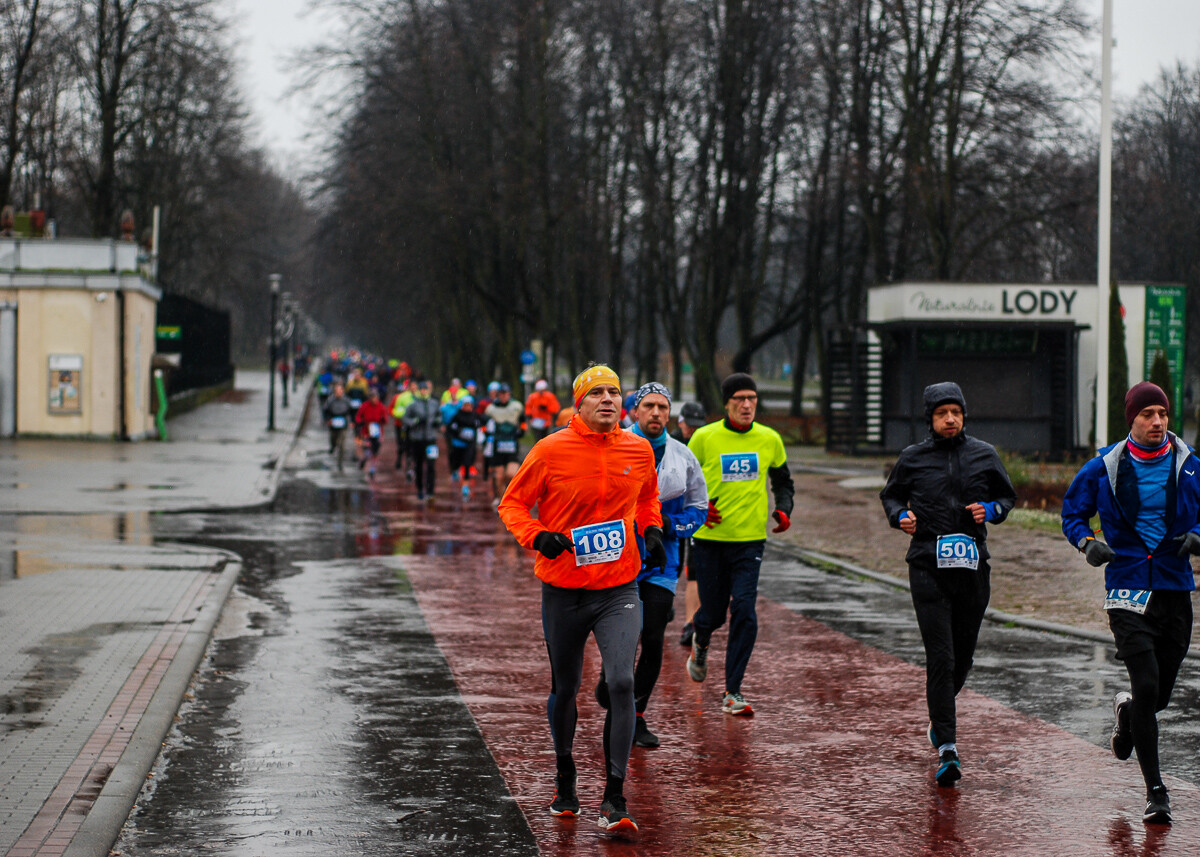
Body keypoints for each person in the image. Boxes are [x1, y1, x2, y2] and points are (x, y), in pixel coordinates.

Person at [498, 364, 664, 834]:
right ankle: (565, 775)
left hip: (619, 588)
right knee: (566, 687)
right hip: (564, 590)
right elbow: (511, 504)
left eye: (615, 392)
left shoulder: (638, 448)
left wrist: (651, 529)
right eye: (598, 393)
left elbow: (648, 499)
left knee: (621, 683)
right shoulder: (550, 450)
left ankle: (614, 796)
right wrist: (537, 536)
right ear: (579, 403)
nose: (608, 399)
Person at [1061, 381, 1200, 825]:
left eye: (1162, 413)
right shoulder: (1104, 466)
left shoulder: (1191, 465)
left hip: (1175, 587)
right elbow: (1072, 514)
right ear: (1132, 420)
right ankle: (1156, 793)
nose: (1157, 421)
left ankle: (1126, 714)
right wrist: (1086, 542)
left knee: (1155, 696)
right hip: (1127, 588)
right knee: (1145, 680)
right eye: (1148, 414)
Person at [879, 381, 1016, 789]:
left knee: (962, 657)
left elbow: (1007, 498)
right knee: (941, 657)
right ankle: (948, 749)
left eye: (955, 412)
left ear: (964, 415)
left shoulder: (984, 455)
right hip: (927, 568)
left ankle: (940, 719)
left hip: (973, 570)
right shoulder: (913, 458)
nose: (950, 419)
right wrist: (899, 516)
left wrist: (991, 509)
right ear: (930, 419)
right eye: (942, 413)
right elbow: (890, 497)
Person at [595, 382, 707, 748]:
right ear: (635, 411)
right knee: (623, 637)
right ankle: (607, 676)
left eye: (663, 407)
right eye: (649, 406)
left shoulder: (683, 456)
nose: (657, 413)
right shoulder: (614, 446)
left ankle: (636, 716)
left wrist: (671, 526)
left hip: (663, 562)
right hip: (620, 559)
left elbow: (700, 507)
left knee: (654, 637)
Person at [686, 373, 794, 716]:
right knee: (714, 613)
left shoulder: (769, 439)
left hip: (750, 541)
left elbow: (783, 481)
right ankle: (701, 639)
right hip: (709, 540)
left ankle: (733, 691)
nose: (746, 405)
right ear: (727, 403)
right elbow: (682, 481)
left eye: (752, 398)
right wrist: (699, 507)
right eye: (739, 399)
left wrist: (784, 508)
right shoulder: (704, 438)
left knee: (745, 610)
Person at [673, 401, 707, 647]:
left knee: (694, 568)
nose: (692, 431)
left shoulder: (704, 441)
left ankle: (690, 622)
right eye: (689, 426)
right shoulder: (668, 442)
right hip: (671, 514)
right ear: (680, 422)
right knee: (671, 564)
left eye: (697, 426)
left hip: (693, 514)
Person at [484, 383, 525, 503]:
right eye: (501, 394)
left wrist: (521, 431)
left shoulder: (516, 406)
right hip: (498, 444)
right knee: (499, 476)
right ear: (498, 395)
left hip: (512, 443)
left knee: (512, 474)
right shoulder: (491, 408)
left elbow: (522, 420)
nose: (503, 397)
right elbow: (483, 421)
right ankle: (502, 501)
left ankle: (512, 496)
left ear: (509, 394)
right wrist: (485, 432)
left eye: (506, 394)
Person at [403, 379, 442, 501]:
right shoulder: (413, 405)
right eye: (422, 389)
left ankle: (430, 491)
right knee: (418, 465)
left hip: (430, 439)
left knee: (431, 466)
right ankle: (420, 488)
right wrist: (414, 422)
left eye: (426, 389)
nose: (424, 392)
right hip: (417, 439)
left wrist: (437, 422)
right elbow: (405, 418)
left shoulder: (434, 404)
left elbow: (439, 416)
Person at [445, 396, 485, 499]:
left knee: (467, 464)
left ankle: (465, 486)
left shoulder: (476, 416)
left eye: (469, 405)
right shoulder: (457, 416)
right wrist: (459, 432)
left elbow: (483, 424)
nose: (468, 407)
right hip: (458, 445)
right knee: (456, 462)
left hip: (470, 445)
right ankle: (454, 471)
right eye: (466, 405)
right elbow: (450, 429)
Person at [355, 388, 389, 480]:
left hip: (378, 432)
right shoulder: (365, 406)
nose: (374, 400)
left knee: (375, 451)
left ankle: (373, 468)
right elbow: (358, 416)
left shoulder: (381, 407)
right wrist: (360, 422)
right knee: (367, 449)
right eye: (372, 398)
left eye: (375, 398)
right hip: (366, 432)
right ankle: (364, 459)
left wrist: (383, 419)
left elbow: (386, 420)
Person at [322, 383, 353, 472]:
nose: (339, 393)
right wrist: (328, 420)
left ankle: (340, 463)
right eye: (337, 391)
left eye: (341, 391)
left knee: (342, 444)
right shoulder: (330, 400)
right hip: (333, 423)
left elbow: (351, 411)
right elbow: (325, 411)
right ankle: (332, 446)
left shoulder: (346, 400)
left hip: (343, 423)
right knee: (333, 439)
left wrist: (352, 421)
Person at [389, 381, 415, 473]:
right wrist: (399, 415)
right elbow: (393, 409)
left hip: (412, 426)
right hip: (400, 425)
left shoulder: (417, 398)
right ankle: (399, 458)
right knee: (401, 444)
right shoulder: (399, 397)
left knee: (410, 445)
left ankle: (409, 464)